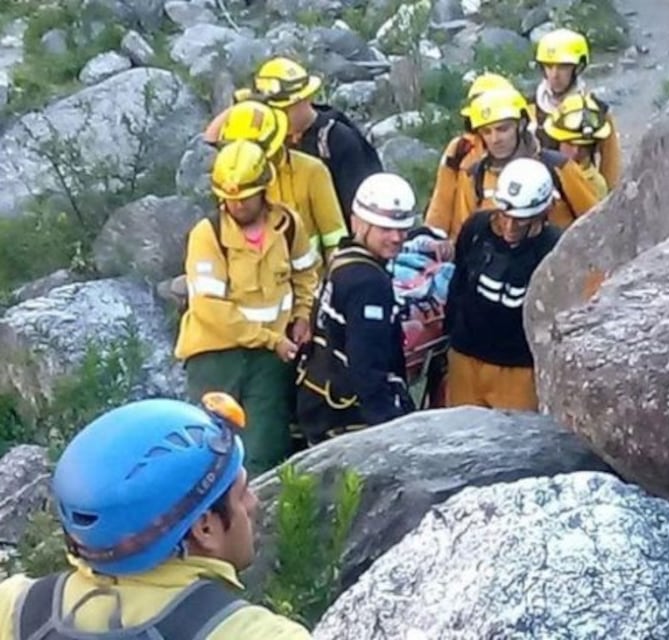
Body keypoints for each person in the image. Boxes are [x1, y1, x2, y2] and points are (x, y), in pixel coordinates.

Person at [0, 394, 312, 639]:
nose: (254, 503)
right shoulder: (259, 634)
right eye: (242, 493)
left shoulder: (16, 609)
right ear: (204, 528)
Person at [174, 140, 319, 474]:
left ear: (264, 189)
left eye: (245, 197)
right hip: (215, 357)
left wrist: (302, 316)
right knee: (211, 451)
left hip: (270, 361)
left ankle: (260, 506)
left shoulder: (288, 225)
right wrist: (271, 339)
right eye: (230, 198)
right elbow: (210, 309)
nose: (237, 205)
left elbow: (305, 273)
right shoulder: (208, 235)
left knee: (265, 449)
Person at [295, 173, 416, 443]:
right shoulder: (368, 283)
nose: (397, 237)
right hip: (346, 414)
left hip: (318, 401)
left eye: (402, 229)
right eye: (385, 229)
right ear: (360, 224)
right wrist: (388, 424)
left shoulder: (342, 258)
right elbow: (366, 362)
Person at [445, 158, 561, 410]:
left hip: (519, 370)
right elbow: (458, 284)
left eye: (521, 220)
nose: (509, 227)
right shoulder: (476, 229)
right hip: (466, 360)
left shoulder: (556, 251)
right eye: (504, 216)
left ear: (542, 213)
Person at [241, 57, 383, 227]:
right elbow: (216, 143)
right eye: (272, 111)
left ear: (306, 99)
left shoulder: (338, 140)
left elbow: (360, 210)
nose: (278, 117)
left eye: (285, 110)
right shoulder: (268, 138)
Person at [210, 99, 348, 267]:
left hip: (309, 277)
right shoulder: (231, 176)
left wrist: (336, 277)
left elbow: (335, 239)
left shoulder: (312, 171)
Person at [448, 86, 598, 238]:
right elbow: (465, 235)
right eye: (486, 132)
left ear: (521, 125)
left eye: (502, 129)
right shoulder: (474, 178)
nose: (495, 139)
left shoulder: (558, 167)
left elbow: (596, 220)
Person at [424, 72, 516, 242]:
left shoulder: (526, 153)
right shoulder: (460, 149)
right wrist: (432, 240)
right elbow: (441, 201)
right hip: (462, 244)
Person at [531, 28, 622, 189]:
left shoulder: (597, 111)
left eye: (563, 67)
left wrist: (606, 197)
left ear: (578, 68)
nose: (554, 74)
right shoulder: (530, 108)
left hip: (583, 190)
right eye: (549, 66)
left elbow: (611, 165)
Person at [542, 92, 614, 198]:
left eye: (583, 148)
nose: (575, 152)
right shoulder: (544, 171)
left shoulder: (596, 187)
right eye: (569, 143)